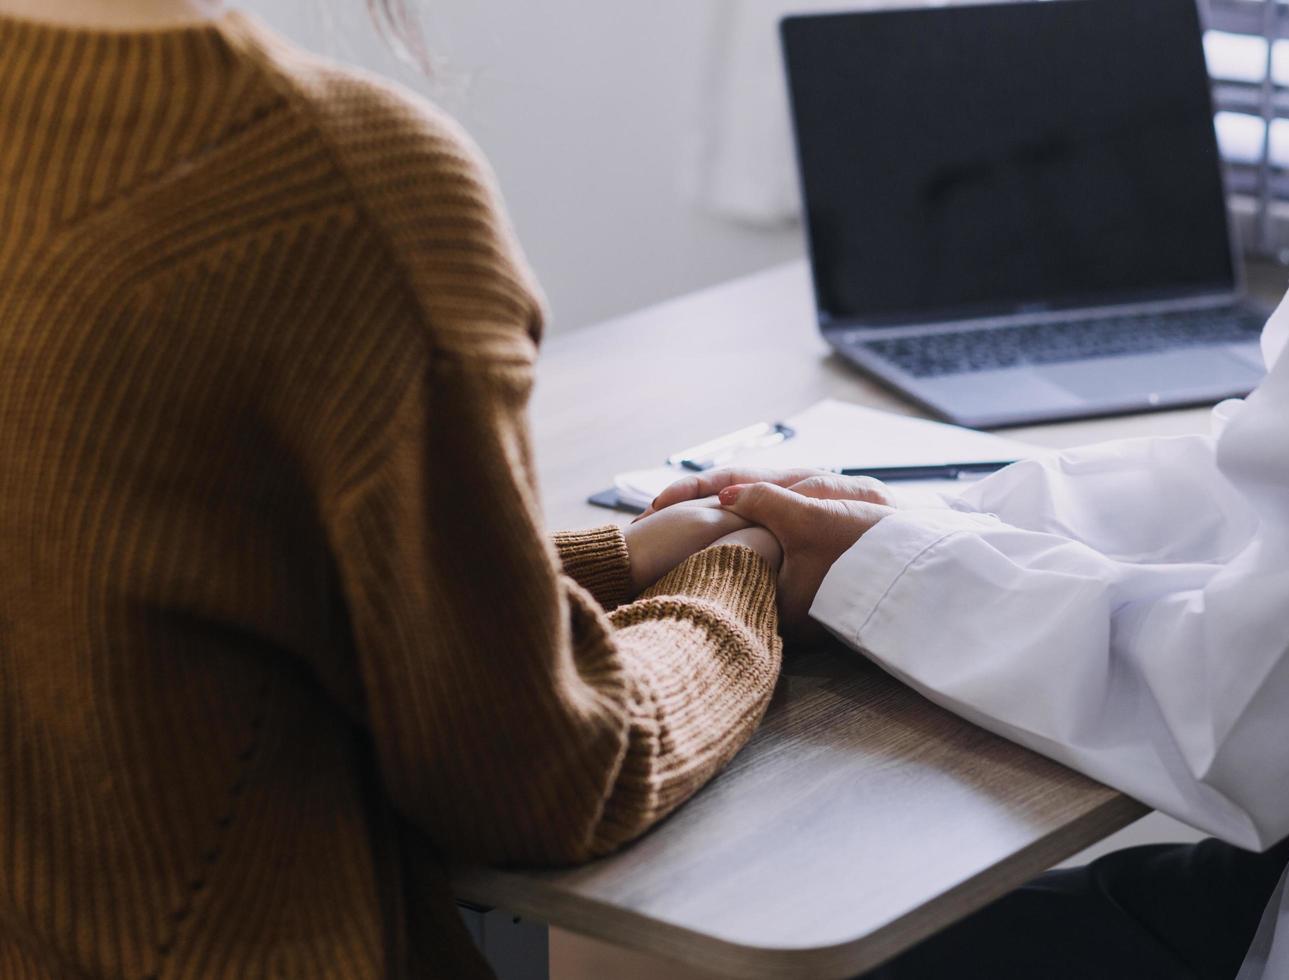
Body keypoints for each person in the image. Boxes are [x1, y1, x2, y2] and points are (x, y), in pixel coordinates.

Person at [644, 0, 1289, 975]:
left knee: (682, 951)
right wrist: (916, 519)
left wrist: (881, 576)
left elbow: (1251, 709)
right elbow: (1283, 470)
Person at [0, 0, 785, 977]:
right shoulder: (341, 179)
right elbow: (545, 777)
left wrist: (606, 559)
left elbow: (109, 572)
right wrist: (734, 580)